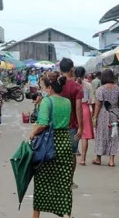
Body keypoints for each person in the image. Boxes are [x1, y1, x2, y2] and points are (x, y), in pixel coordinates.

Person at [29, 71, 73, 218]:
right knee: (63, 185)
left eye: (42, 86)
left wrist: (33, 133)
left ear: (49, 88)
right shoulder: (67, 102)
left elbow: (42, 124)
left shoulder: (47, 101)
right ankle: (66, 215)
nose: (42, 89)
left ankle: (36, 216)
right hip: (65, 144)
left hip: (48, 146)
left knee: (41, 184)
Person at [59, 58, 83, 189]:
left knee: (58, 153)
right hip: (72, 125)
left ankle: (59, 179)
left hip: (57, 124)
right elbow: (78, 108)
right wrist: (81, 126)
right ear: (72, 69)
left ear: (60, 69)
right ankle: (70, 180)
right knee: (72, 153)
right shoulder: (77, 87)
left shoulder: (56, 84)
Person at [92, 69, 119, 167]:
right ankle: (111, 160)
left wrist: (95, 117)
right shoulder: (118, 88)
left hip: (103, 114)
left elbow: (98, 105)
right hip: (115, 114)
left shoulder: (100, 89)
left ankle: (98, 158)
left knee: (101, 134)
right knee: (114, 135)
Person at [75, 66, 94, 166]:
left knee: (73, 132)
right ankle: (83, 159)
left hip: (74, 109)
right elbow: (91, 100)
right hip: (85, 109)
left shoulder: (72, 85)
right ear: (84, 74)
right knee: (84, 136)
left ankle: (72, 157)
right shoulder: (88, 85)